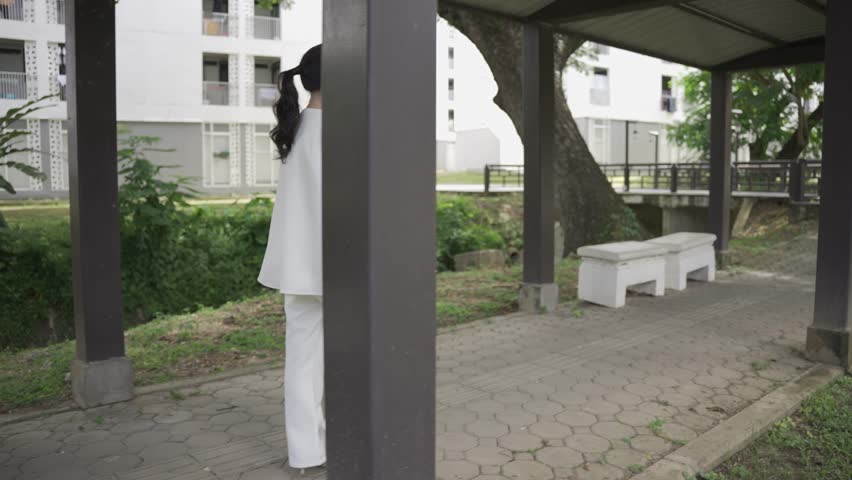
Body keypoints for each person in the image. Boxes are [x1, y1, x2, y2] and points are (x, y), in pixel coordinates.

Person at [257, 44, 325, 477]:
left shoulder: (296, 127)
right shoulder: (348, 130)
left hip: (299, 267)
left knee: (301, 361)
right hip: (342, 266)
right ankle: (354, 434)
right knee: (353, 355)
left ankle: (306, 454)